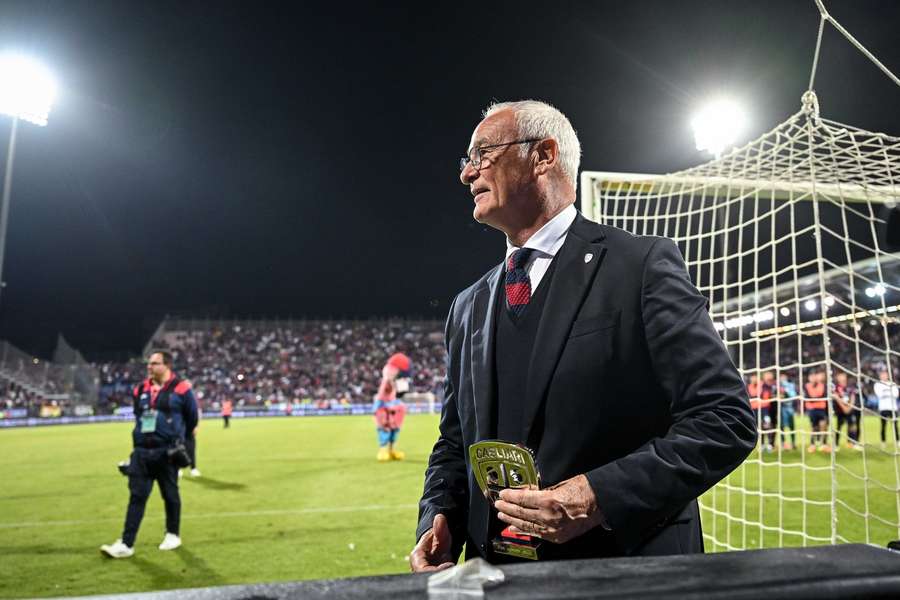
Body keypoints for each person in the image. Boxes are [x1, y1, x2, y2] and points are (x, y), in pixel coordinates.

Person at [411, 100, 756, 570]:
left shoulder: (641, 266)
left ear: (543, 155)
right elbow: (454, 443)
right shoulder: (468, 306)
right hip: (497, 574)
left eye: (482, 154)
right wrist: (437, 517)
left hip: (625, 571)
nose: (467, 174)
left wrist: (599, 497)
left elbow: (723, 419)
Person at [100, 351, 198, 558]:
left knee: (170, 494)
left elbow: (192, 419)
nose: (149, 367)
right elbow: (139, 415)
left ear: (167, 365)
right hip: (142, 452)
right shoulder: (141, 389)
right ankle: (126, 544)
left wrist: (178, 440)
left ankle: (173, 534)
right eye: (149, 363)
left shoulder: (182, 388)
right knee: (137, 496)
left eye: (155, 363)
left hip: (167, 452)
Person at [374, 352, 410, 461]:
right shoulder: (387, 380)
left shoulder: (397, 381)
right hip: (384, 405)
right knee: (385, 427)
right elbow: (382, 394)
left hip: (393, 405)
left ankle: (391, 449)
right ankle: (383, 449)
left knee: (395, 427)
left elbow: (400, 393)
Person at [873, 368, 899, 449]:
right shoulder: (877, 384)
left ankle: (898, 441)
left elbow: (896, 395)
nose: (884, 376)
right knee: (883, 425)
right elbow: (879, 395)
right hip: (883, 408)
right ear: (880, 376)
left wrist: (886, 392)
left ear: (888, 375)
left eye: (885, 374)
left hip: (893, 408)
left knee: (895, 425)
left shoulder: (893, 384)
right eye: (882, 374)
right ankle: (883, 442)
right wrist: (888, 392)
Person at [804, 370, 829, 453]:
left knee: (824, 425)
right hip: (812, 409)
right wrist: (817, 398)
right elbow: (808, 397)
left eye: (814, 376)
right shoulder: (807, 386)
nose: (813, 378)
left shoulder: (823, 385)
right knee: (813, 427)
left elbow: (824, 395)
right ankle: (812, 444)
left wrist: (814, 398)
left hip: (821, 409)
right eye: (811, 377)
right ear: (809, 378)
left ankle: (824, 444)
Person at [778, 372, 798, 450]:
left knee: (792, 426)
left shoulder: (790, 385)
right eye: (781, 376)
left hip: (789, 409)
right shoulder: (777, 386)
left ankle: (793, 443)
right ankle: (783, 443)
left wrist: (786, 391)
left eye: (784, 376)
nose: (782, 378)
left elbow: (793, 395)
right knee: (781, 426)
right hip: (781, 409)